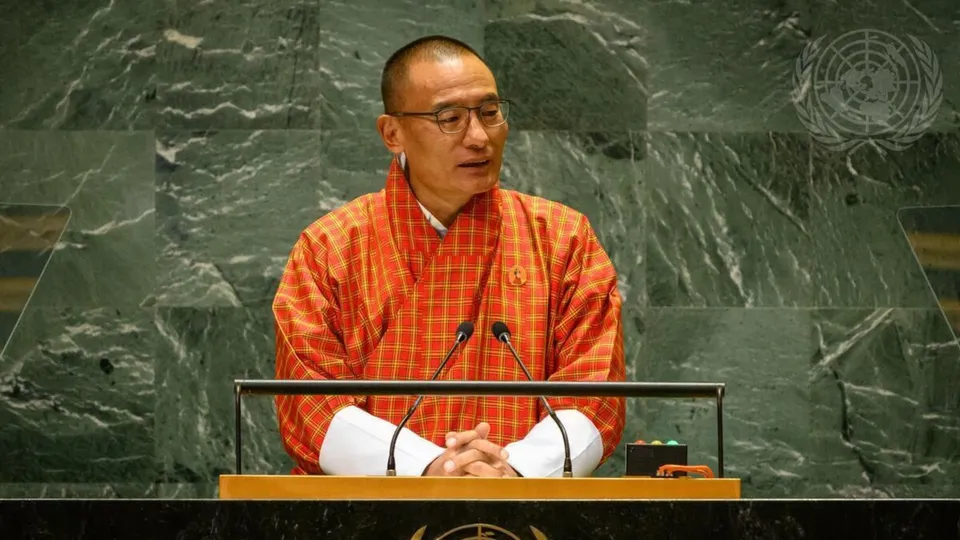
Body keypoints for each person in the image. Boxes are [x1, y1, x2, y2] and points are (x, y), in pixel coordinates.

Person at [272, 35, 625, 478]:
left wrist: (514, 473)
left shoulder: (562, 239)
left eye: (490, 113)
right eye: (450, 118)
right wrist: (428, 468)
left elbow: (594, 392)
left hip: (525, 509)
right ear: (392, 133)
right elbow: (311, 403)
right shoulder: (329, 248)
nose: (479, 137)